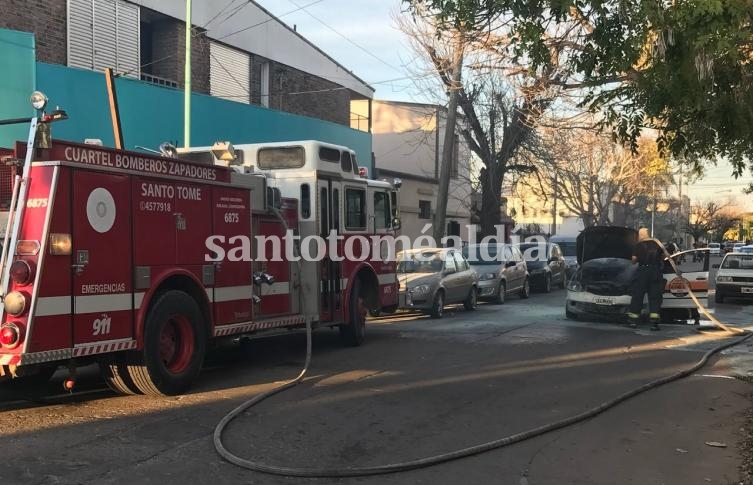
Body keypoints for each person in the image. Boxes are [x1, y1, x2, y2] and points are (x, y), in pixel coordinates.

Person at [626, 228, 664, 331]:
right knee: (655, 297)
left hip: (643, 271)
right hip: (655, 271)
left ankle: (633, 321)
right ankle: (654, 323)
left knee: (638, 295)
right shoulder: (657, 243)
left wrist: (636, 258)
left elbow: (634, 260)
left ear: (640, 235)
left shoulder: (638, 245)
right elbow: (663, 256)